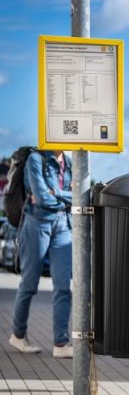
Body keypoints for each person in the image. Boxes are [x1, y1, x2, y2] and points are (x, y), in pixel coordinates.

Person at [9, 150, 73, 357]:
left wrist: (58, 194)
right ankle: (18, 336)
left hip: (63, 224)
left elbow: (82, 195)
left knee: (64, 286)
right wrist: (66, 196)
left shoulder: (71, 162)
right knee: (29, 283)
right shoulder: (35, 159)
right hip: (37, 224)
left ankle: (61, 344)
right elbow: (43, 198)